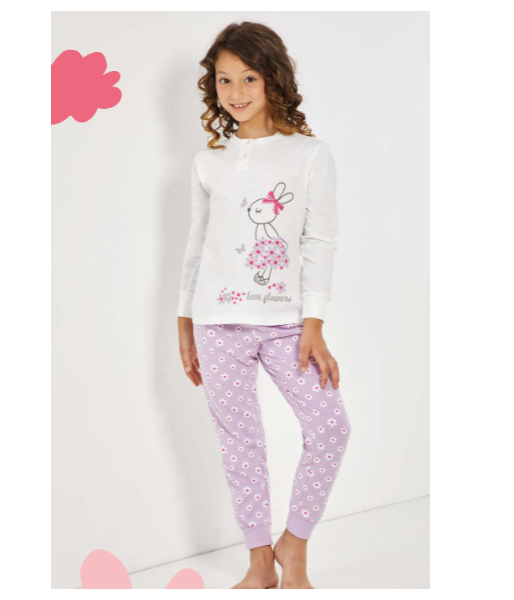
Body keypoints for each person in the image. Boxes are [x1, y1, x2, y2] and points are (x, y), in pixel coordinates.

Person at [177, 21, 353, 590]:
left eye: (248, 77)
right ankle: (259, 564)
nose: (236, 91)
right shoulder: (210, 160)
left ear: (273, 78)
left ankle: (293, 544)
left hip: (285, 325)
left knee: (330, 428)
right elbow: (196, 246)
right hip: (215, 322)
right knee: (240, 445)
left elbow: (319, 241)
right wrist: (184, 322)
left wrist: (314, 324)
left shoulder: (309, 154)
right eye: (224, 79)